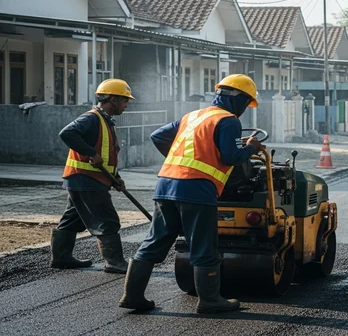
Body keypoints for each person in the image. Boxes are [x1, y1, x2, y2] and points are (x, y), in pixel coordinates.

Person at [119, 74, 265, 313]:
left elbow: (157, 136)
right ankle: (209, 300)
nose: (246, 109)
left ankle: (132, 295)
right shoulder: (228, 121)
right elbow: (231, 157)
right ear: (238, 99)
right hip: (197, 190)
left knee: (155, 241)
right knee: (204, 245)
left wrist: (181, 162)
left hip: (166, 186)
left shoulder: (192, 116)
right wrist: (251, 147)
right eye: (247, 103)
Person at [53, 79, 135, 274]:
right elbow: (67, 133)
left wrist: (116, 177)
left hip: (84, 179)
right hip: (86, 179)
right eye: (124, 101)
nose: (126, 105)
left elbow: (107, 154)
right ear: (113, 99)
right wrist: (90, 153)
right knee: (108, 220)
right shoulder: (91, 118)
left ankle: (61, 257)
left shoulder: (106, 122)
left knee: (72, 219)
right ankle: (115, 262)